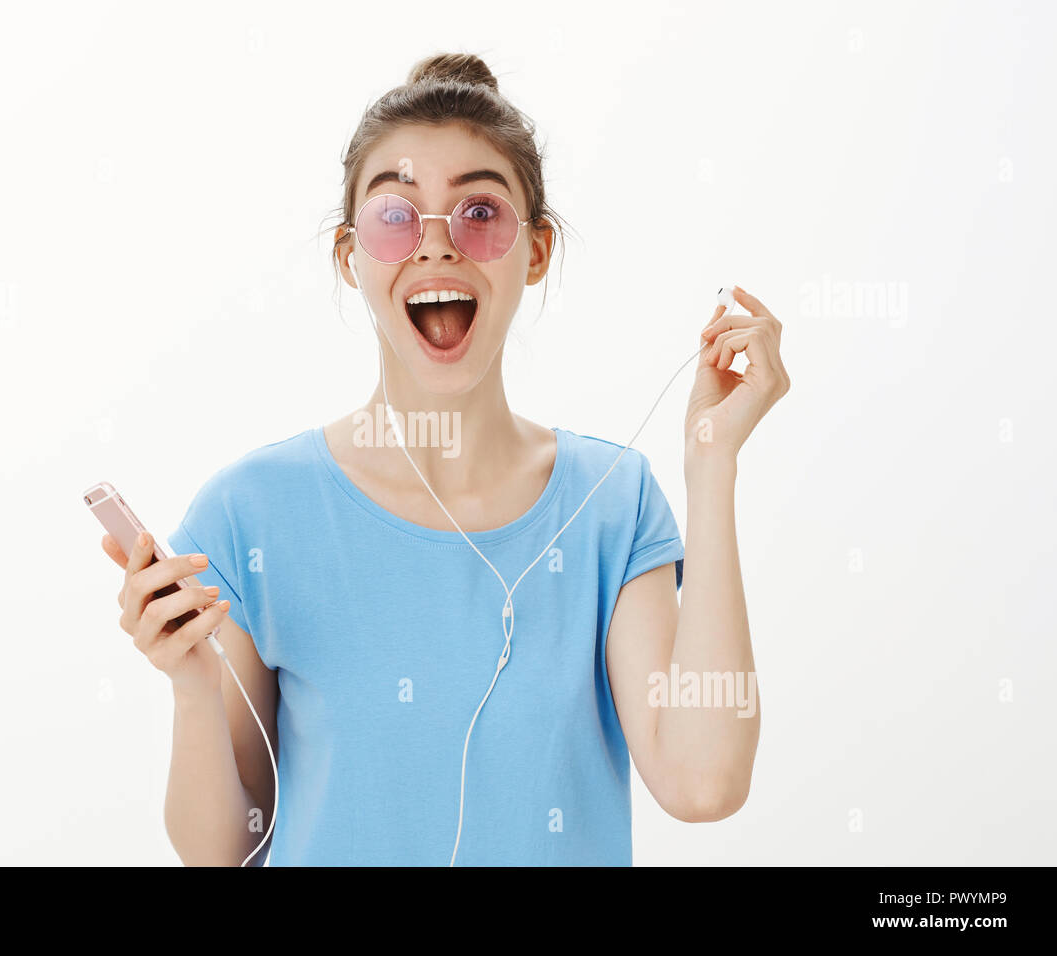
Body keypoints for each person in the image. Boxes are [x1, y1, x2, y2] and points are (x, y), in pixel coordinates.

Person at [100, 52, 790, 866]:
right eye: (396, 215)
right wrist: (188, 683)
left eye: (479, 212)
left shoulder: (613, 503)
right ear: (349, 255)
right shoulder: (250, 514)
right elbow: (224, 852)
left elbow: (703, 786)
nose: (436, 246)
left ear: (534, 252)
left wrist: (711, 465)